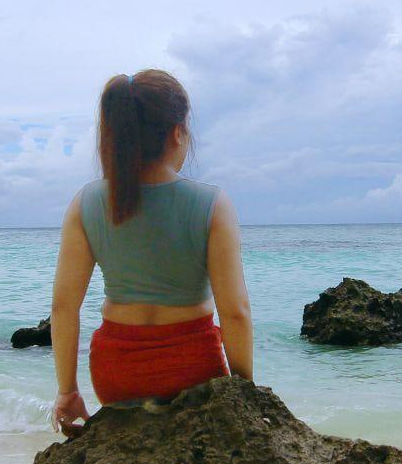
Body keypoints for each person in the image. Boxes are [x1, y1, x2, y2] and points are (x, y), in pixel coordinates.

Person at [49, 70, 253, 436]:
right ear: (177, 132)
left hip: (116, 373)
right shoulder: (212, 204)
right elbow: (235, 312)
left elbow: (64, 307)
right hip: (194, 371)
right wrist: (244, 395)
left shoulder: (87, 203)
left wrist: (67, 391)